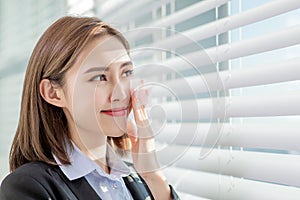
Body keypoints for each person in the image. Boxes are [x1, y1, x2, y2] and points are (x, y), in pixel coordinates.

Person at [0, 16, 179, 200]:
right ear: (53, 93)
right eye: (100, 77)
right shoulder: (27, 187)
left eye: (126, 73)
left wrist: (153, 176)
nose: (121, 94)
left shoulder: (138, 180)